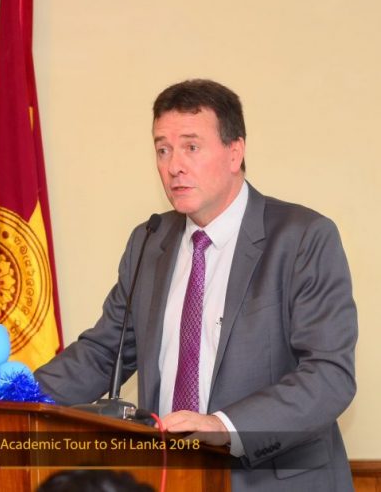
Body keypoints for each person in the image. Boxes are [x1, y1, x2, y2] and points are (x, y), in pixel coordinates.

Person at [34, 79, 357, 491]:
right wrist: (15, 394)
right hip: (171, 477)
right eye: (163, 150)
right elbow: (103, 354)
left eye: (191, 147)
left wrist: (224, 426)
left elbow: (329, 375)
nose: (174, 166)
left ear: (235, 152)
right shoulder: (150, 241)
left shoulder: (302, 238)